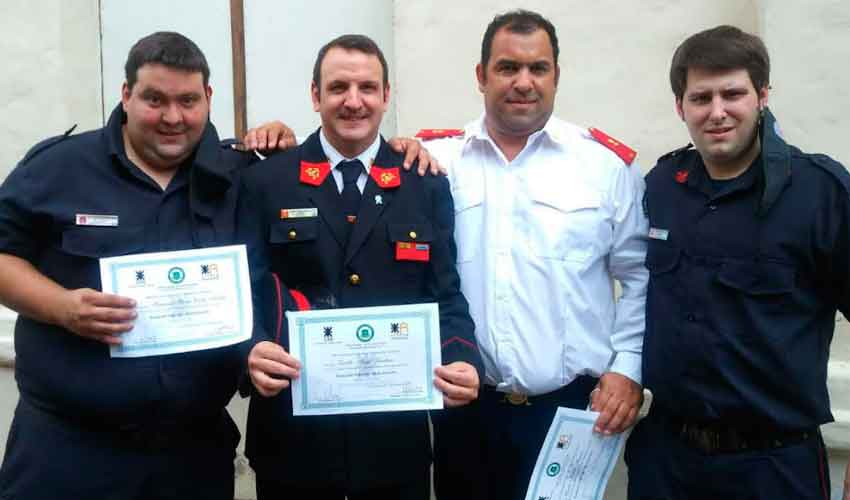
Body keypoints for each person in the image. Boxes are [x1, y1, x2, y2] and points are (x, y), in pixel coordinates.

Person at [246, 10, 648, 500]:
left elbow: (638, 275)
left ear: (556, 75)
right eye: (506, 68)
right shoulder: (437, 160)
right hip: (463, 416)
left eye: (538, 68)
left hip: (567, 406)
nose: (522, 82)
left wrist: (626, 368)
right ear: (481, 76)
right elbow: (252, 282)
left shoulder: (603, 166)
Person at [0, 31, 255, 500]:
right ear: (126, 95)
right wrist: (61, 307)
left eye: (188, 100)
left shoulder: (239, 175)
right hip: (67, 452)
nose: (173, 117)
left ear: (209, 98)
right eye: (154, 99)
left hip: (191, 456)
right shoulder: (57, 168)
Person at [238, 34, 482, 500]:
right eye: (338, 88)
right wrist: (250, 350)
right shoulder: (266, 180)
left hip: (392, 445)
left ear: (386, 95)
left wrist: (462, 357)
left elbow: (445, 293)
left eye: (368, 88)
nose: (354, 102)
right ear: (315, 95)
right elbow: (244, 290)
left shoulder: (422, 184)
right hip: (293, 442)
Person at [625, 25, 850, 500]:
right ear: (680, 107)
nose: (717, 111)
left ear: (763, 96)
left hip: (772, 468)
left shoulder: (820, 194)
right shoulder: (662, 187)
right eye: (701, 97)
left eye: (733, 93)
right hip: (667, 463)